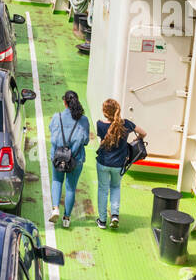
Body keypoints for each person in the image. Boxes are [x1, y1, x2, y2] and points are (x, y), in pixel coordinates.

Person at [94, 98, 147, 230]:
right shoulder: (127, 124)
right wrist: (138, 139)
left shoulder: (100, 124)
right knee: (116, 187)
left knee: (103, 189)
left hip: (103, 162)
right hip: (119, 164)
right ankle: (115, 215)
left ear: (105, 112)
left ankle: (102, 220)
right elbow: (143, 133)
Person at [47, 89, 90, 229]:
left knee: (56, 181)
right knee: (71, 188)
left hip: (58, 157)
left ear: (65, 102)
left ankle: (55, 208)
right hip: (75, 159)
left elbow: (52, 133)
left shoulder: (57, 117)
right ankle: (66, 219)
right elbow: (86, 141)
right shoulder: (83, 120)